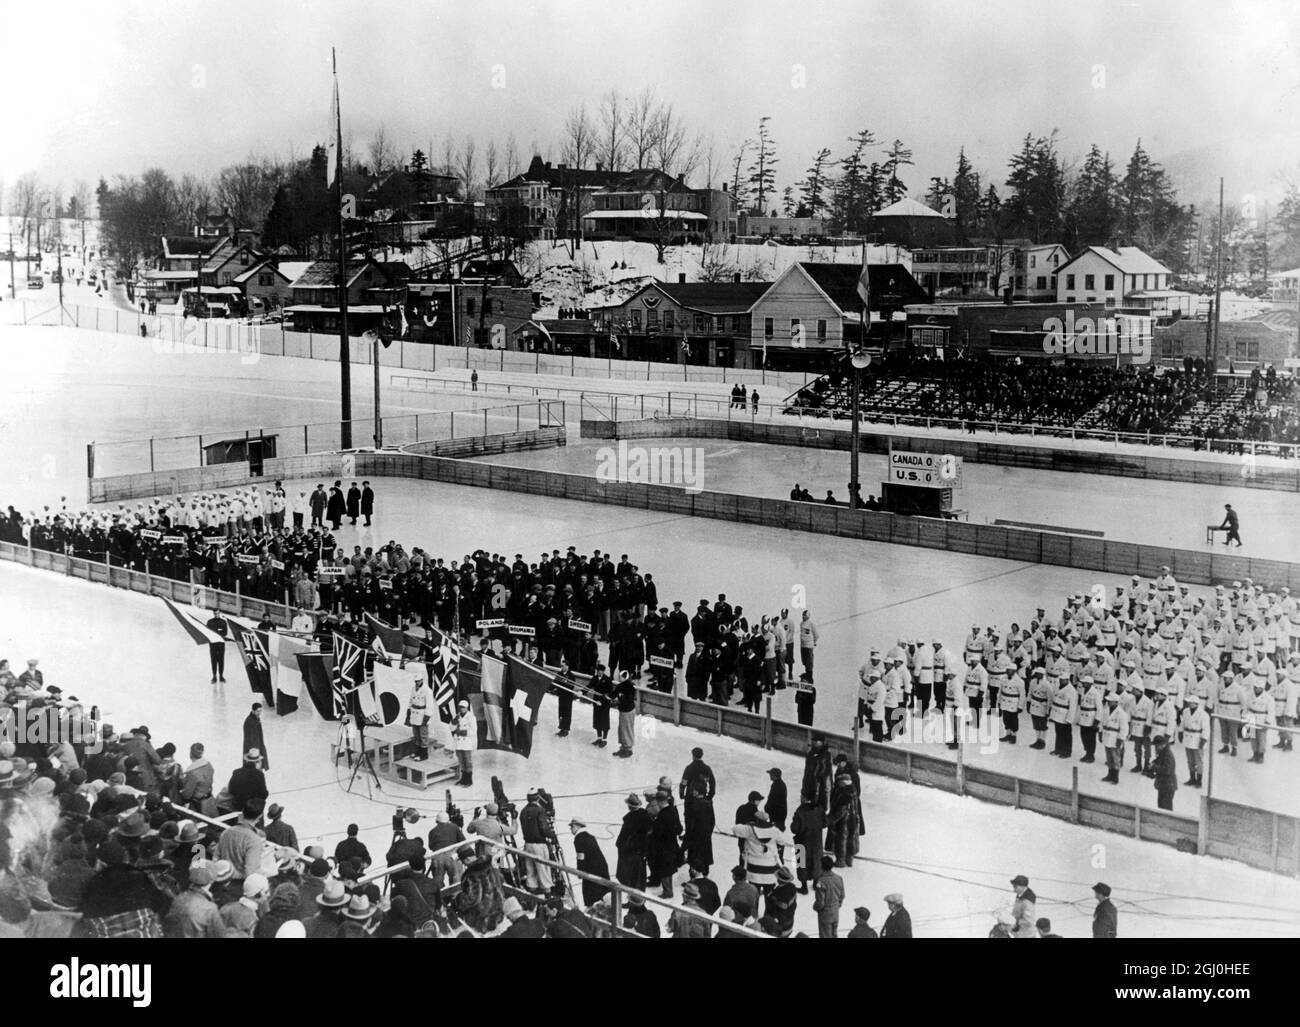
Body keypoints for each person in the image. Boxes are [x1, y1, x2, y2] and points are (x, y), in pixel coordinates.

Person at [519, 789, 557, 895]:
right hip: (539, 845)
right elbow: (543, 828)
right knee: (544, 870)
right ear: (538, 798)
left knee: (530, 870)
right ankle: (548, 893)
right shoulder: (540, 811)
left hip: (527, 845)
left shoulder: (523, 811)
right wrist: (552, 835)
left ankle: (532, 892)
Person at [569, 818, 610, 908]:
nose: (570, 829)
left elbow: (581, 857)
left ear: (576, 826)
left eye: (571, 827)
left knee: (591, 893)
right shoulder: (589, 836)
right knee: (602, 891)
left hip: (591, 869)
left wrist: (580, 872)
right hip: (600, 866)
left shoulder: (579, 838)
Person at [615, 793, 651, 890]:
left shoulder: (629, 819)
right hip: (641, 850)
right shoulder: (645, 814)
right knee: (640, 876)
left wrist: (620, 845)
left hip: (631, 851)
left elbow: (623, 837)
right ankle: (638, 899)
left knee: (631, 877)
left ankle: (633, 899)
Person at [812, 855, 844, 938]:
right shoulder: (839, 878)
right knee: (834, 934)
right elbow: (842, 895)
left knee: (825, 935)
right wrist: (837, 905)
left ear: (822, 866)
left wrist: (816, 907)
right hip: (835, 912)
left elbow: (820, 902)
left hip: (825, 914)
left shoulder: (821, 881)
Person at [613, 670, 637, 758]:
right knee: (622, 729)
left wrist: (619, 703)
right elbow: (614, 694)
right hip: (622, 710)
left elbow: (629, 699)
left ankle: (629, 749)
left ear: (624, 677)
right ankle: (623, 747)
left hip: (628, 710)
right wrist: (607, 696)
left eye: (621, 677)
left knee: (627, 728)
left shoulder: (630, 687)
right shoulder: (619, 686)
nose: (619, 678)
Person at [451, 699, 474, 785]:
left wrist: (462, 732)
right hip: (459, 743)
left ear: (467, 708)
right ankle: (463, 779)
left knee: (467, 761)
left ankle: (469, 780)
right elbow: (451, 727)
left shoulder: (471, 717)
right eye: (460, 707)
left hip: (467, 742)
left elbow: (473, 731)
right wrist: (454, 722)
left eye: (463, 708)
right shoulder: (457, 716)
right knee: (461, 761)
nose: (461, 709)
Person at [1152, 734, 1178, 810]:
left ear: (1162, 744)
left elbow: (1167, 770)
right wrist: (1154, 763)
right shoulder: (1162, 752)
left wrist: (1154, 767)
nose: (1156, 748)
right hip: (1164, 785)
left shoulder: (1167, 754)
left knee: (1166, 808)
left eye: (1157, 746)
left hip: (1168, 785)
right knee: (1161, 807)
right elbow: (1159, 761)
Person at [407, 675, 430, 761]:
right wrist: (408, 712)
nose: (417, 682)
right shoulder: (413, 689)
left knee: (423, 736)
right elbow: (411, 700)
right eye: (416, 681)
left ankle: (423, 755)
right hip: (414, 714)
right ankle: (417, 752)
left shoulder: (427, 690)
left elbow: (429, 705)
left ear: (422, 680)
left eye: (419, 681)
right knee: (416, 735)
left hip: (422, 714)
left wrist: (426, 717)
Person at [242, 704, 269, 773]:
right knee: (254, 766)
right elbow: (250, 738)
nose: (259, 713)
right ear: (253, 711)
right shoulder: (250, 721)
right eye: (258, 711)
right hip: (253, 748)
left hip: (257, 745)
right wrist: (255, 751)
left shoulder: (255, 718)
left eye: (260, 711)